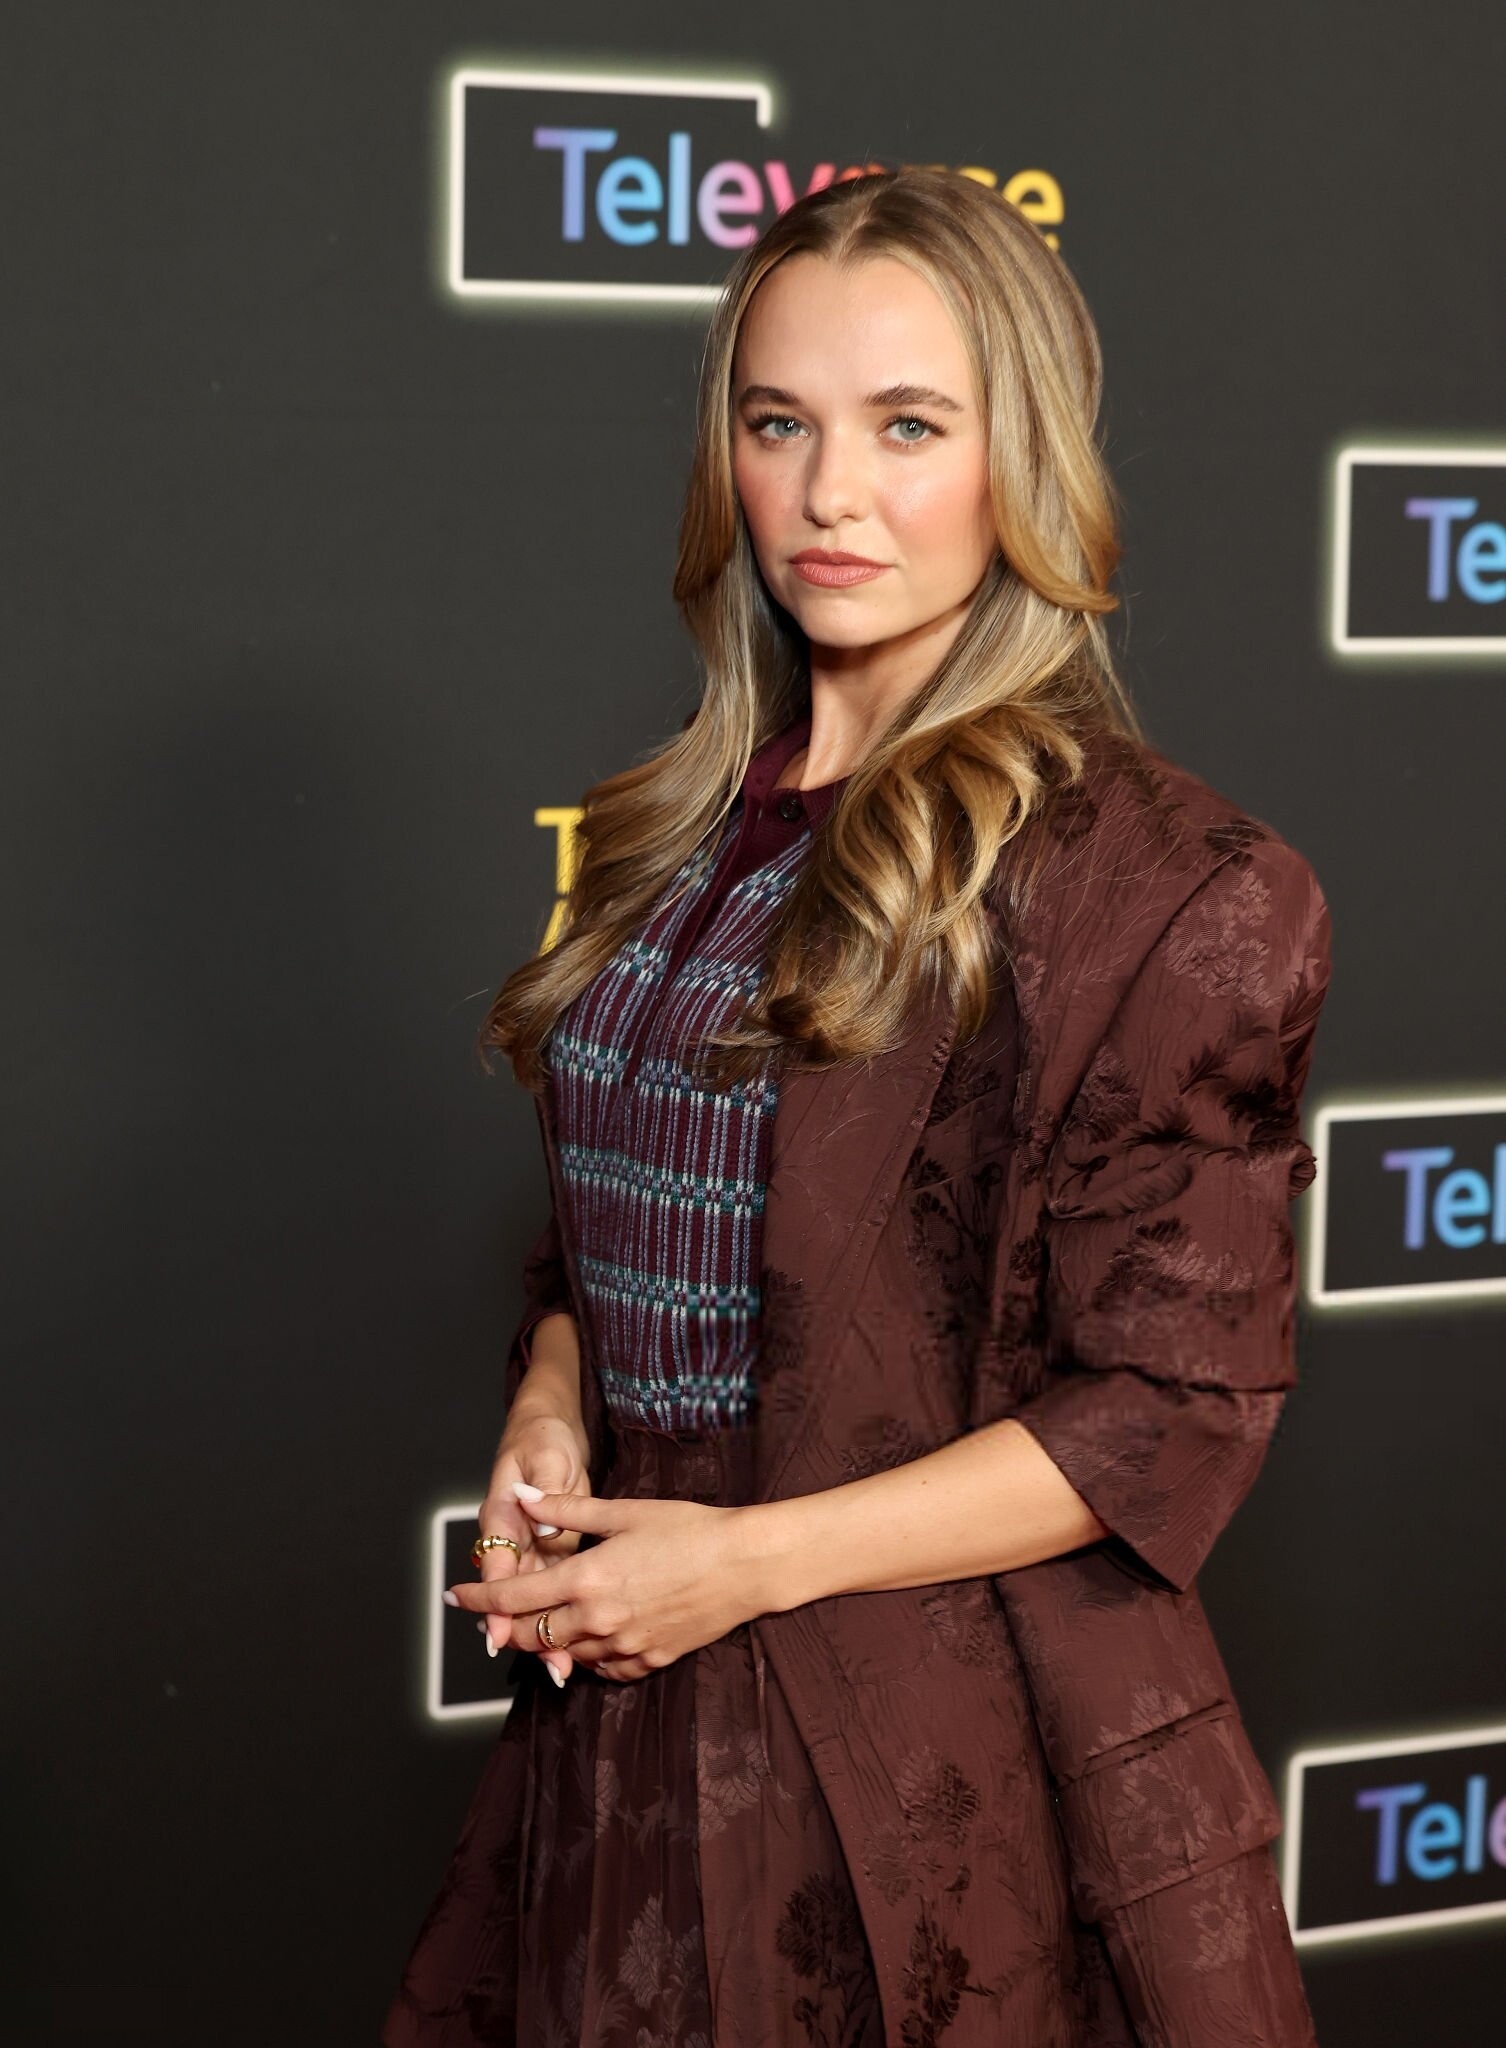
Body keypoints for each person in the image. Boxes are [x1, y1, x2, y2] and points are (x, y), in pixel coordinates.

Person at [383, 167, 1332, 2046]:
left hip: (945, 1778)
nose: (828, 494)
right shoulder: (669, 837)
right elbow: (610, 1241)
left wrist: (741, 1564)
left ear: (1019, 456)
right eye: (777, 424)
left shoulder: (1166, 888)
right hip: (623, 1731)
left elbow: (1164, 1409)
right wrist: (552, 1409)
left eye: (907, 426)